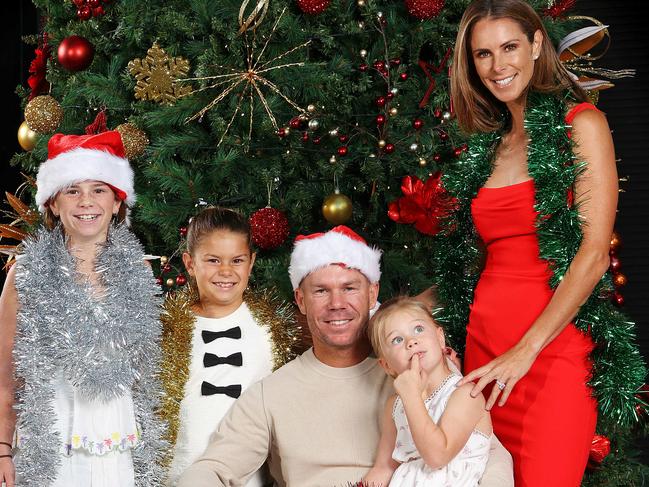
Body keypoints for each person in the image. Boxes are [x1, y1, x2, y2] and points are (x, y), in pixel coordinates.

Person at [437, 0, 624, 484]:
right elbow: (483, 262)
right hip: (484, 347)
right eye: (483, 55)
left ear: (537, 45)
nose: (498, 67)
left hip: (552, 351)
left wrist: (526, 351)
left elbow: (593, 253)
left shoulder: (580, 125)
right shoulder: (491, 145)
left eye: (510, 47)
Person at [177, 225, 513, 487]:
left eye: (350, 287)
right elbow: (215, 470)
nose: (337, 303)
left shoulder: (413, 371)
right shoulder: (272, 394)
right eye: (321, 290)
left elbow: (488, 453)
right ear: (301, 299)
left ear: (372, 293)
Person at [0, 131, 167, 487]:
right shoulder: (26, 273)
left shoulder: (139, 271)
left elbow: (144, 373)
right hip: (52, 449)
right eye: (72, 190)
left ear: (117, 203)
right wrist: (2, 450)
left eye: (99, 190)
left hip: (119, 446)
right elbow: (6, 378)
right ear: (53, 204)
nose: (86, 202)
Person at [160, 206, 302, 486]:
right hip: (180, 474)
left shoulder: (269, 328)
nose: (225, 271)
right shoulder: (168, 327)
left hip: (250, 478)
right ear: (190, 263)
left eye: (237, 261)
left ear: (251, 263)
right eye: (213, 260)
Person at [363, 296, 492, 486]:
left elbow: (438, 457)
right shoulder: (395, 405)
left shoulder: (464, 394)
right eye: (397, 339)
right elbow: (383, 468)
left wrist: (412, 397)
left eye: (418, 329)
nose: (411, 341)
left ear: (440, 338)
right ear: (387, 365)